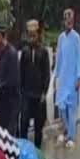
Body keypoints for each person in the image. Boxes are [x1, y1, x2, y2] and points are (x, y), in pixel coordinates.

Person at [55, 8, 80, 148]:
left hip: (73, 78)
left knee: (72, 108)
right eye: (67, 19)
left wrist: (79, 77)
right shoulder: (61, 38)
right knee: (61, 107)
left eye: (71, 19)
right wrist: (56, 76)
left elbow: (79, 57)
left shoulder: (76, 37)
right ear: (64, 21)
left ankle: (71, 136)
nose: (69, 21)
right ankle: (66, 131)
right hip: (63, 77)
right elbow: (58, 57)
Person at [20, 19, 51, 148]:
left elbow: (46, 73)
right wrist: (21, 91)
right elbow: (21, 72)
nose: (32, 38)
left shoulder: (43, 51)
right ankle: (23, 149)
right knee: (24, 122)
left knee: (39, 125)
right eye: (30, 35)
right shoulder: (25, 51)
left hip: (39, 94)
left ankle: (37, 150)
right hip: (27, 93)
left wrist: (44, 92)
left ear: (38, 35)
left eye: (34, 35)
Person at [0, 21, 20, 134]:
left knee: (8, 139)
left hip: (10, 105)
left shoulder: (11, 54)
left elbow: (11, 82)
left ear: (1, 36)